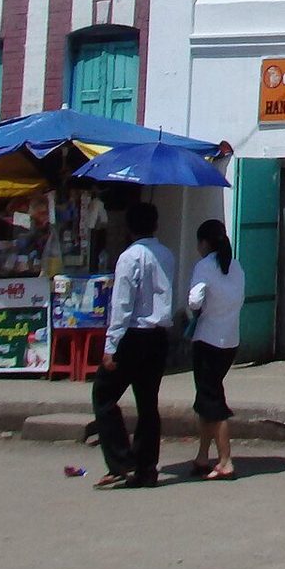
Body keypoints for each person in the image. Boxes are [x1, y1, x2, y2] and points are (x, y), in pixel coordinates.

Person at [92, 201, 176, 490]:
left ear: (129, 228)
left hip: (133, 335)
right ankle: (146, 468)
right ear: (156, 225)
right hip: (158, 336)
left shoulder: (129, 257)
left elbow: (122, 305)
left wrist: (111, 345)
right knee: (148, 404)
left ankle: (121, 460)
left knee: (103, 395)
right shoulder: (166, 254)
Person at [186, 218, 245, 481]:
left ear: (204, 243)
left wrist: (199, 309)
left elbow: (194, 300)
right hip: (230, 340)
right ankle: (202, 455)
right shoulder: (236, 266)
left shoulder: (204, 266)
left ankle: (225, 460)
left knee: (213, 400)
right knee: (205, 399)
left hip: (207, 339)